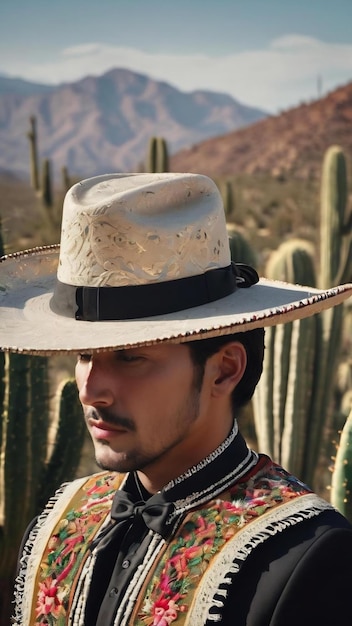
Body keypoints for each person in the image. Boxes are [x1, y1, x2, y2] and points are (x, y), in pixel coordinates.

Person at [1, 172, 352, 626]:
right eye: (84, 354)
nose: (90, 387)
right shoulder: (58, 523)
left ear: (224, 369)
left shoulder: (306, 556)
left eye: (130, 358)